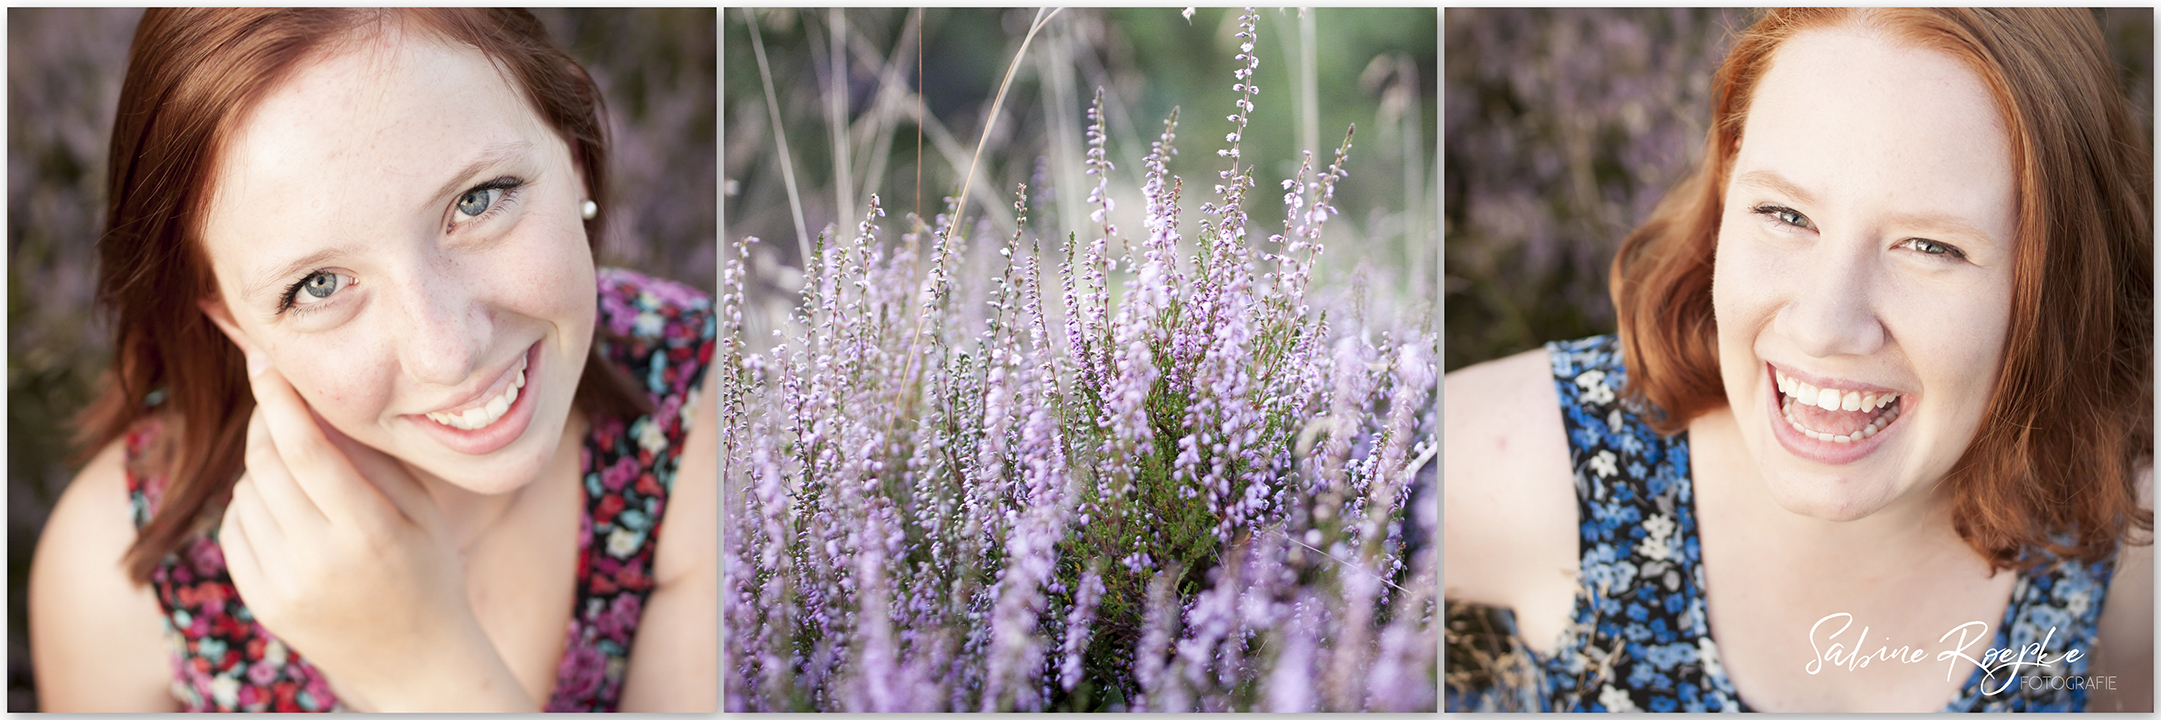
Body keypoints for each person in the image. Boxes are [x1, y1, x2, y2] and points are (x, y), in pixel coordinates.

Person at [1444, 8, 2151, 712]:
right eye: (1784, 215)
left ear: (2060, 285)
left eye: (1931, 247)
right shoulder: (1533, 465)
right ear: (1723, 199)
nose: (1821, 326)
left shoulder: (2115, 536)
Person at [26, 9, 717, 712]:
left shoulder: (705, 404)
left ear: (571, 153)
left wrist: (424, 672)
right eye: (318, 286)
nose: (447, 353)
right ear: (234, 322)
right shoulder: (119, 585)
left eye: (477, 202)